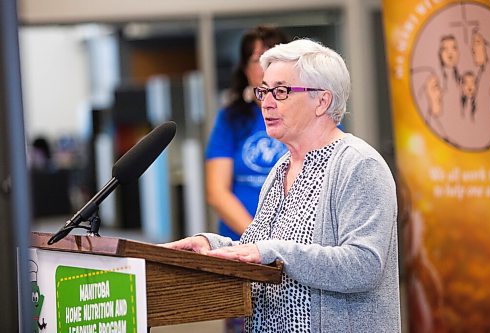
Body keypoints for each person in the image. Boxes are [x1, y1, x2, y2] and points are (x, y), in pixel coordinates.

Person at [163, 39, 401, 332]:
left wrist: (273, 251)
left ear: (322, 101)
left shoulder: (359, 165)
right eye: (263, 91)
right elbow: (264, 250)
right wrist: (214, 246)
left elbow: (364, 265)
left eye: (281, 91)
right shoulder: (280, 169)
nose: (267, 102)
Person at [205, 26, 290, 242]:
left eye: (274, 58)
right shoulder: (230, 118)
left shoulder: (309, 113)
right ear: (245, 69)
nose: (266, 66)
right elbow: (217, 192)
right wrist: (259, 240)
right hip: (241, 241)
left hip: (297, 243)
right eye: (258, 58)